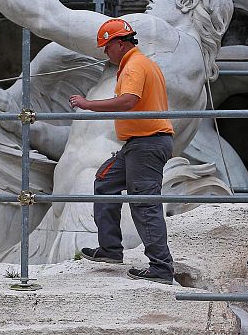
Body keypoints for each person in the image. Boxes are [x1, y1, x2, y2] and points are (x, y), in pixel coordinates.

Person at [0, 0, 234, 268]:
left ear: (188, 2)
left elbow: (49, 18)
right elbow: (93, 143)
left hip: (86, 207)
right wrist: (34, 129)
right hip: (84, 203)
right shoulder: (196, 93)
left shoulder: (156, 35)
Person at [70, 18, 176, 284]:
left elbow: (129, 100)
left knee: (144, 204)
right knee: (105, 182)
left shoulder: (134, 66)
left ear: (119, 43)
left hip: (147, 144)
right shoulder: (140, 63)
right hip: (139, 144)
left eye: (106, 46)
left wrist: (88, 104)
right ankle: (110, 250)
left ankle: (161, 268)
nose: (105, 52)